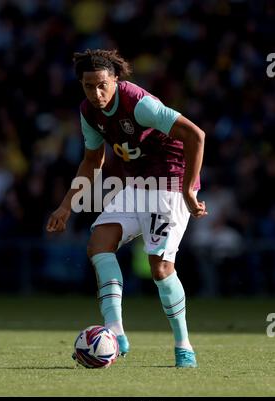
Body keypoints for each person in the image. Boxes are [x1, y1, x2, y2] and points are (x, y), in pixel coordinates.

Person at [46, 49, 207, 368]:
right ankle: (116, 331)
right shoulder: (87, 111)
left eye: (102, 85)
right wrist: (66, 206)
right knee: (98, 244)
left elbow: (195, 135)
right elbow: (93, 160)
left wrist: (189, 189)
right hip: (135, 187)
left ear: (115, 80)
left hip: (170, 185)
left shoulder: (140, 104)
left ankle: (183, 345)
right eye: (88, 86)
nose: (96, 93)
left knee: (160, 269)